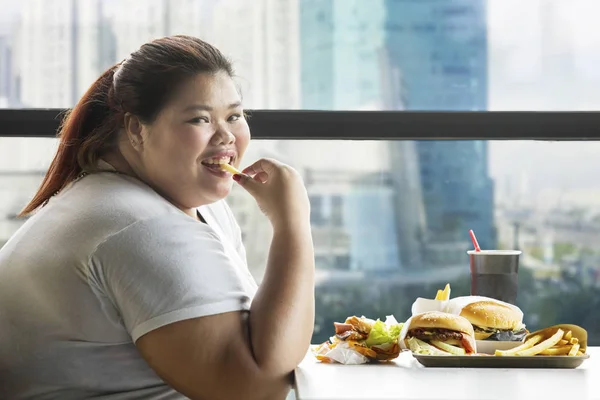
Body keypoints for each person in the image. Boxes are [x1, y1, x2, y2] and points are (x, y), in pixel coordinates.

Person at [0, 35, 315, 400]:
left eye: (234, 115)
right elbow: (257, 390)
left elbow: (269, 354)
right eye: (200, 118)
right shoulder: (139, 226)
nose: (226, 135)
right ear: (136, 129)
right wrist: (292, 224)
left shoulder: (176, 202)